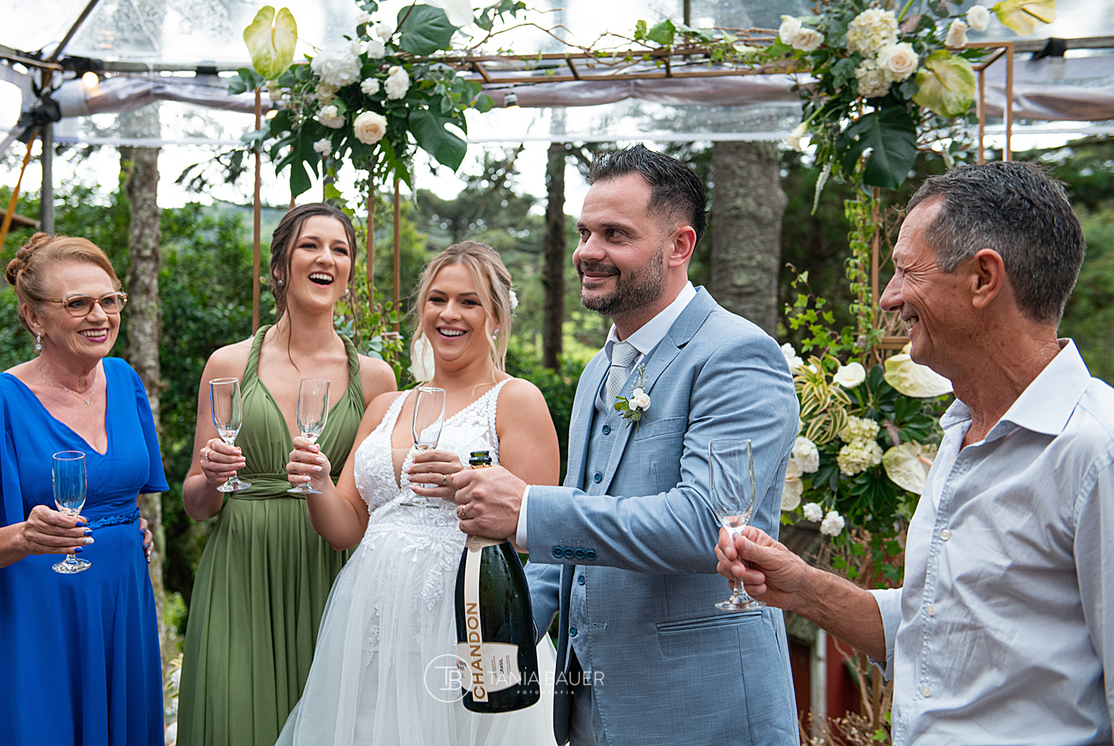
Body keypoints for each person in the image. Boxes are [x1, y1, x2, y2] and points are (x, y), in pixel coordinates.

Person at [717, 160, 1113, 745]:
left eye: (906, 272)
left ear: (983, 279)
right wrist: (801, 586)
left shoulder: (1096, 452)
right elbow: (938, 632)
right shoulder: (960, 431)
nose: (887, 297)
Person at [451, 145, 801, 746]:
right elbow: (572, 553)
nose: (588, 252)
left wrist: (530, 508)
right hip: (588, 708)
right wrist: (498, 638)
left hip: (701, 707)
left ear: (678, 246)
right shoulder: (598, 371)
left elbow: (706, 526)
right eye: (585, 232)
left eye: (614, 234)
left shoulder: (737, 355)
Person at [275, 241, 559, 746]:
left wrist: (464, 490)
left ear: (496, 316)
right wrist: (316, 482)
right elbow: (345, 529)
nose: (450, 314)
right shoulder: (386, 405)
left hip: (465, 617)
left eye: (469, 302)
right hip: (371, 613)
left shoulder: (516, 400)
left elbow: (536, 536)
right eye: (437, 299)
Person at [0, 233, 166, 746]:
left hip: (121, 605)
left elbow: (119, 496)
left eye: (109, 300)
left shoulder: (125, 382)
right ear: (35, 318)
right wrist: (24, 537)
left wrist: (129, 527)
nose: (99, 315)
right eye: (77, 303)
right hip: (33, 617)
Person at [176, 204, 397, 746]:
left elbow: (377, 505)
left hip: (334, 570)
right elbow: (196, 503)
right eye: (310, 245)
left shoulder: (374, 376)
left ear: (348, 274)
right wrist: (209, 476)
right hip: (241, 572)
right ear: (280, 266)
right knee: (235, 719)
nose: (326, 258)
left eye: (340, 249)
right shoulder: (228, 364)